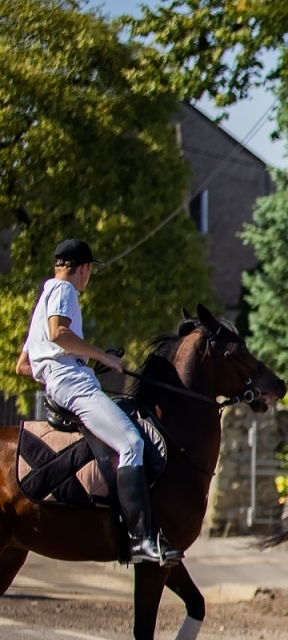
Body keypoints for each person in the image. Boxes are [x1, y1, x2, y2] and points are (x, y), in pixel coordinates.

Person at [14, 239, 181, 567]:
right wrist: (99, 355)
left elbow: (24, 365)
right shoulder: (64, 291)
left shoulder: (45, 295)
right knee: (132, 442)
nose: (88, 278)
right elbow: (59, 334)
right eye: (89, 271)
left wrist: (84, 361)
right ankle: (142, 540)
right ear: (84, 268)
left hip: (66, 381)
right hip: (73, 385)